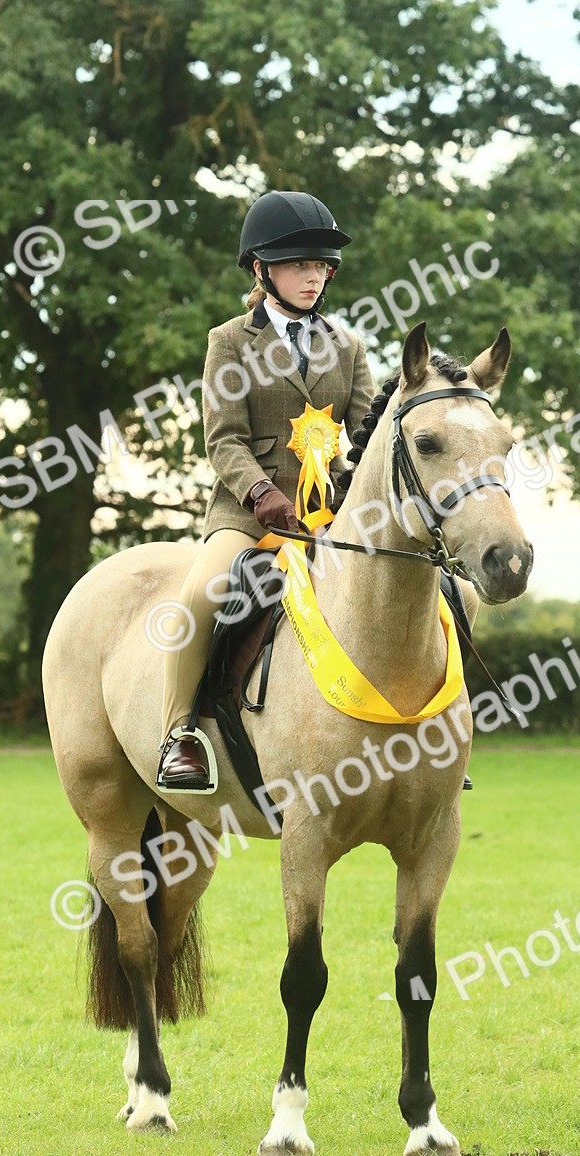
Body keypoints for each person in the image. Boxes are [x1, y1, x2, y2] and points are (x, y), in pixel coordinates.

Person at [157, 190, 375, 790]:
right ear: (262, 269)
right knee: (201, 597)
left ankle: (429, 732)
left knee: (419, 587)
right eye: (300, 264)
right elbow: (223, 439)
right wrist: (262, 494)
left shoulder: (348, 347)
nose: (314, 276)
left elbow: (364, 439)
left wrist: (354, 492)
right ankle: (181, 737)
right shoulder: (228, 342)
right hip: (248, 515)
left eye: (321, 265)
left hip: (329, 518)